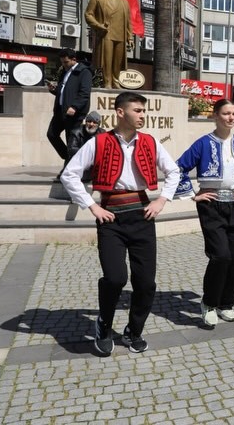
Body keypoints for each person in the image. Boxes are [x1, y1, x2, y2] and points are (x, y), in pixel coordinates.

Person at [61, 92, 180, 356]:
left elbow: (174, 171)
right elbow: (69, 174)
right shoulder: (99, 141)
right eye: (137, 110)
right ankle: (103, 325)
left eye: (143, 111)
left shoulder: (150, 141)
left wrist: (162, 200)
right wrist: (92, 206)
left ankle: (134, 330)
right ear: (120, 112)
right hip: (111, 217)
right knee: (115, 278)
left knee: (146, 283)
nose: (142, 115)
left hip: (142, 216)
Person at [175, 99, 234, 328]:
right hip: (211, 205)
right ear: (215, 116)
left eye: (233, 114)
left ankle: (226, 303)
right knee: (221, 256)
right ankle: (209, 303)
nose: (231, 118)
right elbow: (179, 168)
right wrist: (193, 194)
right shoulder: (203, 143)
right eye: (226, 113)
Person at [47, 48, 93, 168]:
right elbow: (64, 92)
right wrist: (54, 90)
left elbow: (84, 93)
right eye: (62, 62)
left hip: (74, 113)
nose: (64, 64)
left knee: (71, 141)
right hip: (61, 111)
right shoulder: (65, 72)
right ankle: (67, 157)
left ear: (74, 59)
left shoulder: (84, 72)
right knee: (51, 134)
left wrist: (75, 107)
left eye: (66, 62)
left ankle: (71, 167)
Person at [85, 0, 133, 89]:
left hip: (120, 35)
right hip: (106, 34)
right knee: (107, 60)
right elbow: (88, 14)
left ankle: (116, 81)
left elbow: (128, 22)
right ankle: (107, 82)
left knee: (118, 61)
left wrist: (130, 37)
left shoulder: (124, 2)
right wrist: (98, 26)